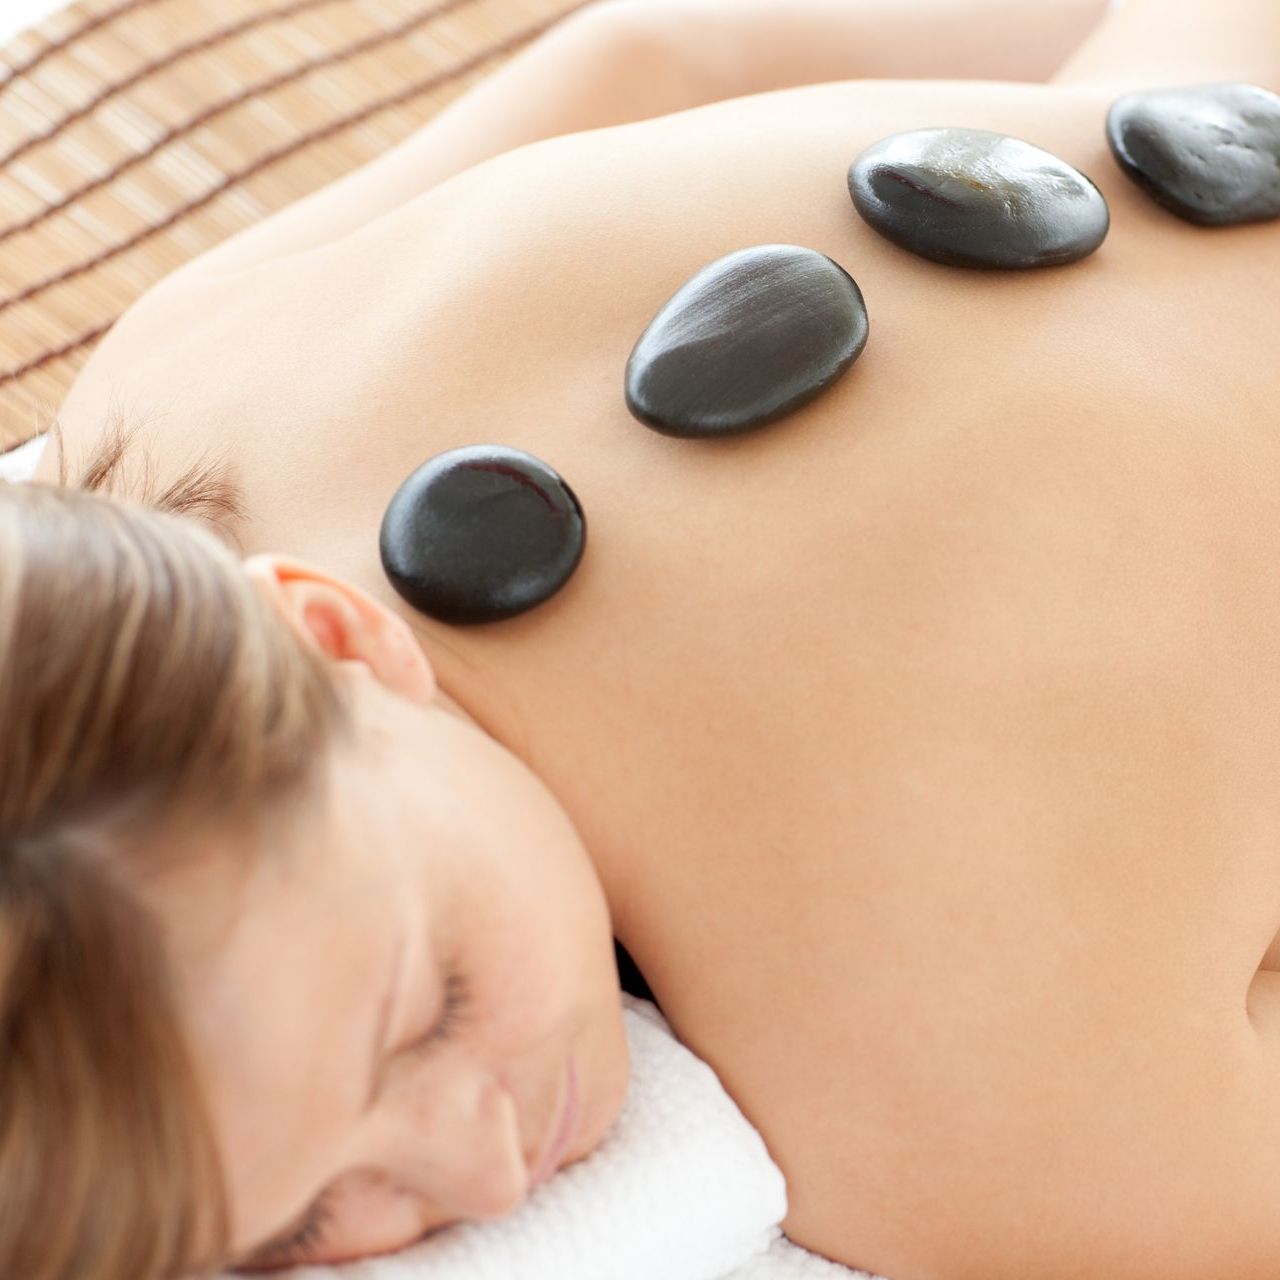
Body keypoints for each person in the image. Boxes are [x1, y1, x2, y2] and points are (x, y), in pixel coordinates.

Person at [6, 0, 1280, 1275]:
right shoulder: (180, 375)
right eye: (307, 1221)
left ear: (336, 633)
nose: (487, 1162)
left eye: (428, 1003)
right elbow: (653, 51)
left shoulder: (930, 1089)